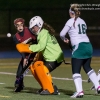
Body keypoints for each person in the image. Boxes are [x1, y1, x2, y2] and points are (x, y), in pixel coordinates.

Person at [16, 16, 64, 95]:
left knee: (39, 67)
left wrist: (27, 47)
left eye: (34, 27)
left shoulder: (43, 32)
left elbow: (41, 47)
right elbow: (42, 49)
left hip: (55, 58)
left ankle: (49, 89)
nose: (32, 29)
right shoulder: (43, 33)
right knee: (33, 67)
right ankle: (47, 86)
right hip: (51, 57)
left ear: (39, 25)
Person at [60, 4, 100, 98]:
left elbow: (62, 34)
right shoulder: (82, 21)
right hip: (88, 45)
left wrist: (64, 39)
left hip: (79, 47)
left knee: (76, 70)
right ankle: (98, 86)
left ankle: (79, 91)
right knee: (87, 67)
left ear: (71, 12)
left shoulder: (70, 21)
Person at [13, 18, 37, 92]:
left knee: (38, 70)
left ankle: (46, 86)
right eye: (17, 25)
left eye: (21, 24)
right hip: (26, 55)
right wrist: (24, 58)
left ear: (23, 25)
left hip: (36, 52)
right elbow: (20, 48)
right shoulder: (15, 37)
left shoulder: (29, 30)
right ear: (15, 27)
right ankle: (20, 85)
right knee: (19, 74)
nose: (20, 27)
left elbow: (38, 40)